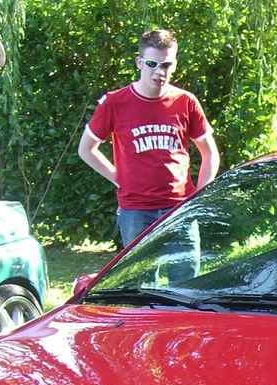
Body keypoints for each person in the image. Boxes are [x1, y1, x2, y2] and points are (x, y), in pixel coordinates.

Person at [78, 28, 220, 247]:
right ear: (139, 62)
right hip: (136, 211)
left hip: (179, 208)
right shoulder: (115, 103)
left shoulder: (186, 101)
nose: (159, 72)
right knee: (141, 271)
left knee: (184, 270)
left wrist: (199, 196)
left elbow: (210, 153)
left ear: (174, 65)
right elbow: (86, 149)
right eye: (152, 64)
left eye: (166, 65)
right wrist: (118, 177)